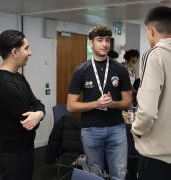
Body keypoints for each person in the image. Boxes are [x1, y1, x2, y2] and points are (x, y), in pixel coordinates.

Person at [67, 25, 132, 180]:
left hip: (116, 128)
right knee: (94, 173)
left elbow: (128, 102)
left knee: (119, 173)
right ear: (91, 43)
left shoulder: (120, 69)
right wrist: (97, 104)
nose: (104, 44)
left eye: (107, 40)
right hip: (91, 129)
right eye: (100, 40)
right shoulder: (81, 70)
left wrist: (111, 104)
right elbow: (71, 105)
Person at [0, 30, 45, 180]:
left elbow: (37, 103)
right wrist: (39, 114)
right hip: (13, 151)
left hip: (23, 147)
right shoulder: (4, 85)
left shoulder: (17, 76)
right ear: (14, 52)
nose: (30, 53)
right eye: (26, 48)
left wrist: (39, 114)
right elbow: (30, 123)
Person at [131, 6, 171, 180]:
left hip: (158, 158)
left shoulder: (155, 55)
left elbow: (146, 112)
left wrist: (136, 129)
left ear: (151, 30)